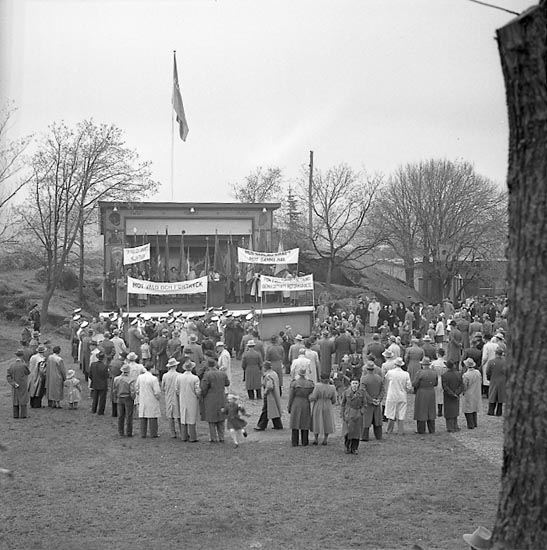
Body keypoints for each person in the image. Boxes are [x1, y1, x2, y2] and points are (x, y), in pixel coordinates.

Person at [200, 357, 230, 443]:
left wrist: (203, 395)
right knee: (221, 418)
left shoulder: (207, 375)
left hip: (210, 399)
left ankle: (213, 438)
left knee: (211, 419)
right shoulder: (222, 374)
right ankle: (222, 437)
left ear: (208, 366)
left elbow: (203, 388)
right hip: (221, 398)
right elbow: (227, 383)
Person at [176, 354, 201, 442]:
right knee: (191, 417)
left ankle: (184, 436)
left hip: (182, 398)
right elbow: (197, 390)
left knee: (183, 416)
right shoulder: (195, 378)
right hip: (192, 399)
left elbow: (177, 389)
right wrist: (198, 396)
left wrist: (180, 394)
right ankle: (193, 437)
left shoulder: (179, 377)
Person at [384, 357, 412, 435]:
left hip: (392, 394)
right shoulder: (406, 374)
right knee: (401, 412)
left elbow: (386, 380)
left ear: (395, 364)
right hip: (402, 395)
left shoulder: (390, 373)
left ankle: (389, 429)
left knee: (390, 412)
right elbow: (409, 387)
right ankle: (400, 430)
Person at [288, 366, 314, 447]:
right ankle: (304, 441)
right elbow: (312, 394)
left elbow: (291, 396)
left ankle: (294, 442)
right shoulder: (310, 383)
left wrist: (289, 406)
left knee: (295, 422)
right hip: (305, 402)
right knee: (305, 422)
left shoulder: (294, 383)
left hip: (296, 402)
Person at [255, 361, 283, 431]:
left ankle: (261, 425)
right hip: (275, 394)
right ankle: (278, 424)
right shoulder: (274, 373)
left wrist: (265, 392)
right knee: (274, 409)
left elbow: (270, 386)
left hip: (269, 396)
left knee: (266, 410)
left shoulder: (268, 376)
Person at [360, 361, 385, 441]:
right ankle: (378, 436)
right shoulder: (379, 378)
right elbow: (382, 390)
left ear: (367, 369)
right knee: (377, 420)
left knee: (366, 420)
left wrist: (371, 400)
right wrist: (378, 399)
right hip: (377, 402)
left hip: (367, 403)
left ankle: (364, 436)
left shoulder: (364, 379)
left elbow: (363, 391)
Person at [412, 357, 438, 434]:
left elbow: (415, 383)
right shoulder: (434, 372)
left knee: (421, 410)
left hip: (422, 392)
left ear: (422, 365)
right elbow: (436, 383)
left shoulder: (420, 373)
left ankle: (421, 429)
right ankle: (431, 429)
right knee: (431, 410)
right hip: (431, 391)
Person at [309, 375, 337, 445]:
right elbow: (334, 400)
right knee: (327, 421)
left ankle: (316, 439)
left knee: (317, 420)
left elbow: (314, 396)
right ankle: (325, 439)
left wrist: (309, 398)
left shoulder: (318, 386)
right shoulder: (332, 387)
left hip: (319, 403)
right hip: (328, 404)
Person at [136, 363, 162, 438]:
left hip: (143, 398)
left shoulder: (140, 377)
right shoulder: (154, 379)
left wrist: (140, 393)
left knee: (143, 416)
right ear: (152, 368)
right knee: (152, 417)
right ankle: (153, 433)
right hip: (151, 399)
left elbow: (137, 388)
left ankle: (143, 433)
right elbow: (157, 391)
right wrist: (158, 397)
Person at [340, 379, 366, 454]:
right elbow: (343, 404)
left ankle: (354, 448)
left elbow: (365, 404)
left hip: (357, 413)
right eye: (353, 383)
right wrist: (342, 413)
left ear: (358, 384)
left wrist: (361, 412)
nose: (355, 385)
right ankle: (347, 446)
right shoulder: (346, 392)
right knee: (347, 431)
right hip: (348, 413)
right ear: (350, 384)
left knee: (356, 432)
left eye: (356, 383)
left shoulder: (362, 393)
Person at [112, 364, 136, 437]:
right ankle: (129, 432)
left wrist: (116, 396)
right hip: (128, 398)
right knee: (129, 416)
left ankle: (121, 432)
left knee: (120, 416)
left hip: (120, 398)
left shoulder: (116, 379)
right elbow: (132, 391)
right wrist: (133, 398)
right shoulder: (131, 380)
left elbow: (114, 390)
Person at [7, 349, 30, 419]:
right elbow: (28, 372)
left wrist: (13, 383)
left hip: (14, 385)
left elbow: (8, 376)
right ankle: (23, 414)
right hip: (22, 384)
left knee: (15, 399)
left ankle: (15, 415)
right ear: (22, 356)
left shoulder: (11, 365)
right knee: (23, 399)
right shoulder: (24, 365)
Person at [442, 360, 464, 432]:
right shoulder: (458, 374)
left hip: (448, 396)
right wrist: (457, 393)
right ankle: (455, 426)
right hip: (456, 395)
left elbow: (445, 387)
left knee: (448, 412)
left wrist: (452, 393)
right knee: (455, 410)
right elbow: (462, 385)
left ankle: (450, 427)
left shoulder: (445, 375)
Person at [162, 357, 181, 438]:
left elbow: (163, 387)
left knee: (170, 415)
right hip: (177, 396)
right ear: (175, 366)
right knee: (179, 414)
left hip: (168, 396)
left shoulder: (165, 376)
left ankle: (173, 432)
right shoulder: (179, 375)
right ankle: (182, 431)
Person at [486, 348, 507, 416]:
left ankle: (491, 411)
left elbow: (488, 372)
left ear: (496, 353)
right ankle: (499, 412)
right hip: (502, 381)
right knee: (500, 397)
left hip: (493, 379)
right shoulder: (505, 362)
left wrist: (489, 378)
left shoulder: (491, 362)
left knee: (492, 395)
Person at [462, 358, 482, 429]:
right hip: (476, 392)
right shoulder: (478, 372)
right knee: (474, 408)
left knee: (468, 409)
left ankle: (470, 424)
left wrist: (462, 391)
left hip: (469, 393)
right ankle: (475, 422)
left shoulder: (466, 375)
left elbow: (464, 386)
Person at [27, 344, 47, 409]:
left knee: (32, 390)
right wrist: (44, 376)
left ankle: (32, 403)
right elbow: (42, 370)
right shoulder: (42, 359)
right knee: (38, 391)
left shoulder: (33, 357)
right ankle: (37, 404)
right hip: (38, 376)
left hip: (31, 375)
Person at [431, 348, 448, 417]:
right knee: (442, 395)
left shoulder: (434, 363)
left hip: (436, 378)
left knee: (436, 395)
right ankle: (441, 410)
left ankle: (436, 409)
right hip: (444, 379)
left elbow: (431, 370)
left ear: (438, 354)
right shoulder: (445, 363)